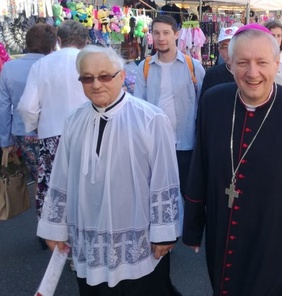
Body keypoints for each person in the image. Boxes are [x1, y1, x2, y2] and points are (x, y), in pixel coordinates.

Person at [183, 23, 282, 296]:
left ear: (276, 63)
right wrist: (192, 227)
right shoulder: (213, 102)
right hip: (221, 230)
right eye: (242, 62)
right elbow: (199, 167)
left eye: (262, 62)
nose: (252, 73)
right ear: (230, 63)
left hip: (274, 236)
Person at [37, 46, 184, 295]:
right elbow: (61, 178)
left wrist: (164, 233)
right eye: (87, 78)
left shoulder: (150, 118)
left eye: (104, 76)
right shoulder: (74, 121)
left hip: (138, 239)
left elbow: (164, 178)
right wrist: (55, 228)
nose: (96, 84)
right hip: (88, 234)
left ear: (121, 76)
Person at [18, 20, 89, 218]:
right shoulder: (91, 60)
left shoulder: (42, 64)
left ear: (59, 40)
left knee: (54, 189)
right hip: (88, 133)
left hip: (52, 134)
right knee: (89, 188)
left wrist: (34, 126)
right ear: (84, 41)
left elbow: (27, 106)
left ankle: (56, 236)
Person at [134, 15, 205, 196]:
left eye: (166, 33)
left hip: (185, 144)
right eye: (156, 33)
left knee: (186, 194)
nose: (161, 38)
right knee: (155, 193)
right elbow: (139, 106)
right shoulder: (145, 66)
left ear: (176, 35)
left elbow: (202, 105)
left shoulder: (193, 66)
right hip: (154, 144)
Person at [0, 24, 57, 190]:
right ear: (52, 45)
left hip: (23, 132)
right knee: (57, 180)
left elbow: (4, 106)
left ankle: (42, 213)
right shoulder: (54, 65)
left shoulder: (10, 68)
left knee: (39, 179)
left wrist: (5, 140)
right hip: (53, 131)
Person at [200, 25, 240, 99]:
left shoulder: (250, 74)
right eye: (225, 47)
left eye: (233, 45)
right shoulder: (212, 75)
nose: (229, 51)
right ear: (219, 51)